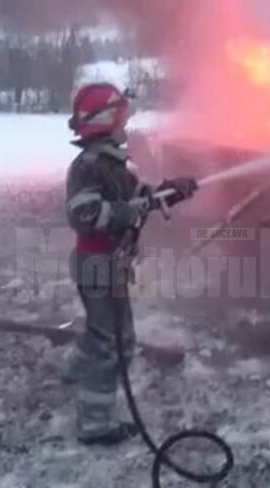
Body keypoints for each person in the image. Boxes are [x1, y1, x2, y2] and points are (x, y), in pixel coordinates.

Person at [62, 83, 197, 446]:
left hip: (106, 263)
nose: (128, 122)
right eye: (123, 115)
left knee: (101, 331)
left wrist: (169, 192)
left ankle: (73, 370)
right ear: (106, 120)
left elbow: (135, 199)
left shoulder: (110, 162)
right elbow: (84, 214)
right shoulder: (90, 166)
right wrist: (133, 209)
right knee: (115, 344)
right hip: (98, 264)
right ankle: (94, 423)